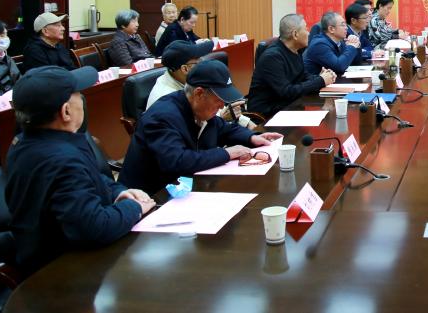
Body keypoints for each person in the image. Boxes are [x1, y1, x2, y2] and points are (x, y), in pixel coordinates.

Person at [5, 65, 154, 276]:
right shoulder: (61, 159)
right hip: (63, 271)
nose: (83, 100)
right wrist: (135, 207)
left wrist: (119, 193)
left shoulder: (28, 141)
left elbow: (91, 178)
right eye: (78, 95)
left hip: (52, 253)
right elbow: (94, 228)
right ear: (66, 111)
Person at [119, 60, 282, 195]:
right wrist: (227, 153)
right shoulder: (162, 117)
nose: (222, 106)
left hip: (187, 188)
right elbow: (177, 161)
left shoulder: (200, 109)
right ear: (199, 93)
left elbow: (223, 128)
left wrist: (252, 137)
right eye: (219, 99)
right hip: (150, 198)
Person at [248, 14, 335, 119]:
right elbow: (286, 92)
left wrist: (322, 77)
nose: (308, 33)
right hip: (267, 115)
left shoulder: (296, 50)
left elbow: (303, 76)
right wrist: (320, 81)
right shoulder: (272, 57)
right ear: (295, 34)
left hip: (289, 107)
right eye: (306, 29)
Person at [147, 39, 215, 108]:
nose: (203, 66)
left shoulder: (186, 81)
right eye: (199, 63)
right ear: (185, 69)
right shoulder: (167, 100)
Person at [303, 11, 360, 77]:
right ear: (331, 29)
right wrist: (351, 47)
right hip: (315, 82)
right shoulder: (319, 44)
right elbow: (339, 67)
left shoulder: (340, 41)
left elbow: (356, 62)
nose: (346, 28)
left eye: (345, 24)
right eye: (343, 25)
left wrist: (356, 43)